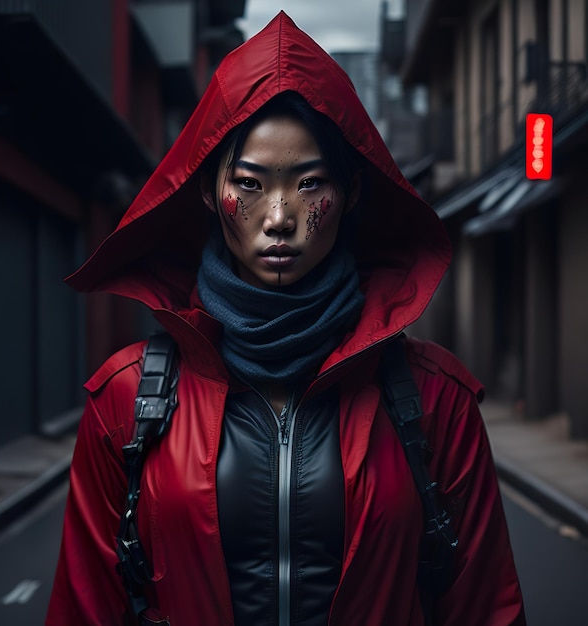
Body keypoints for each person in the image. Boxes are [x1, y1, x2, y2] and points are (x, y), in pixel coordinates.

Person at [46, 11, 526, 626]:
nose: (278, 215)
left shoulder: (436, 399)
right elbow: (85, 612)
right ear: (206, 190)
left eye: (309, 184)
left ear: (350, 193)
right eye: (248, 183)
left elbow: (485, 608)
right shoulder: (126, 400)